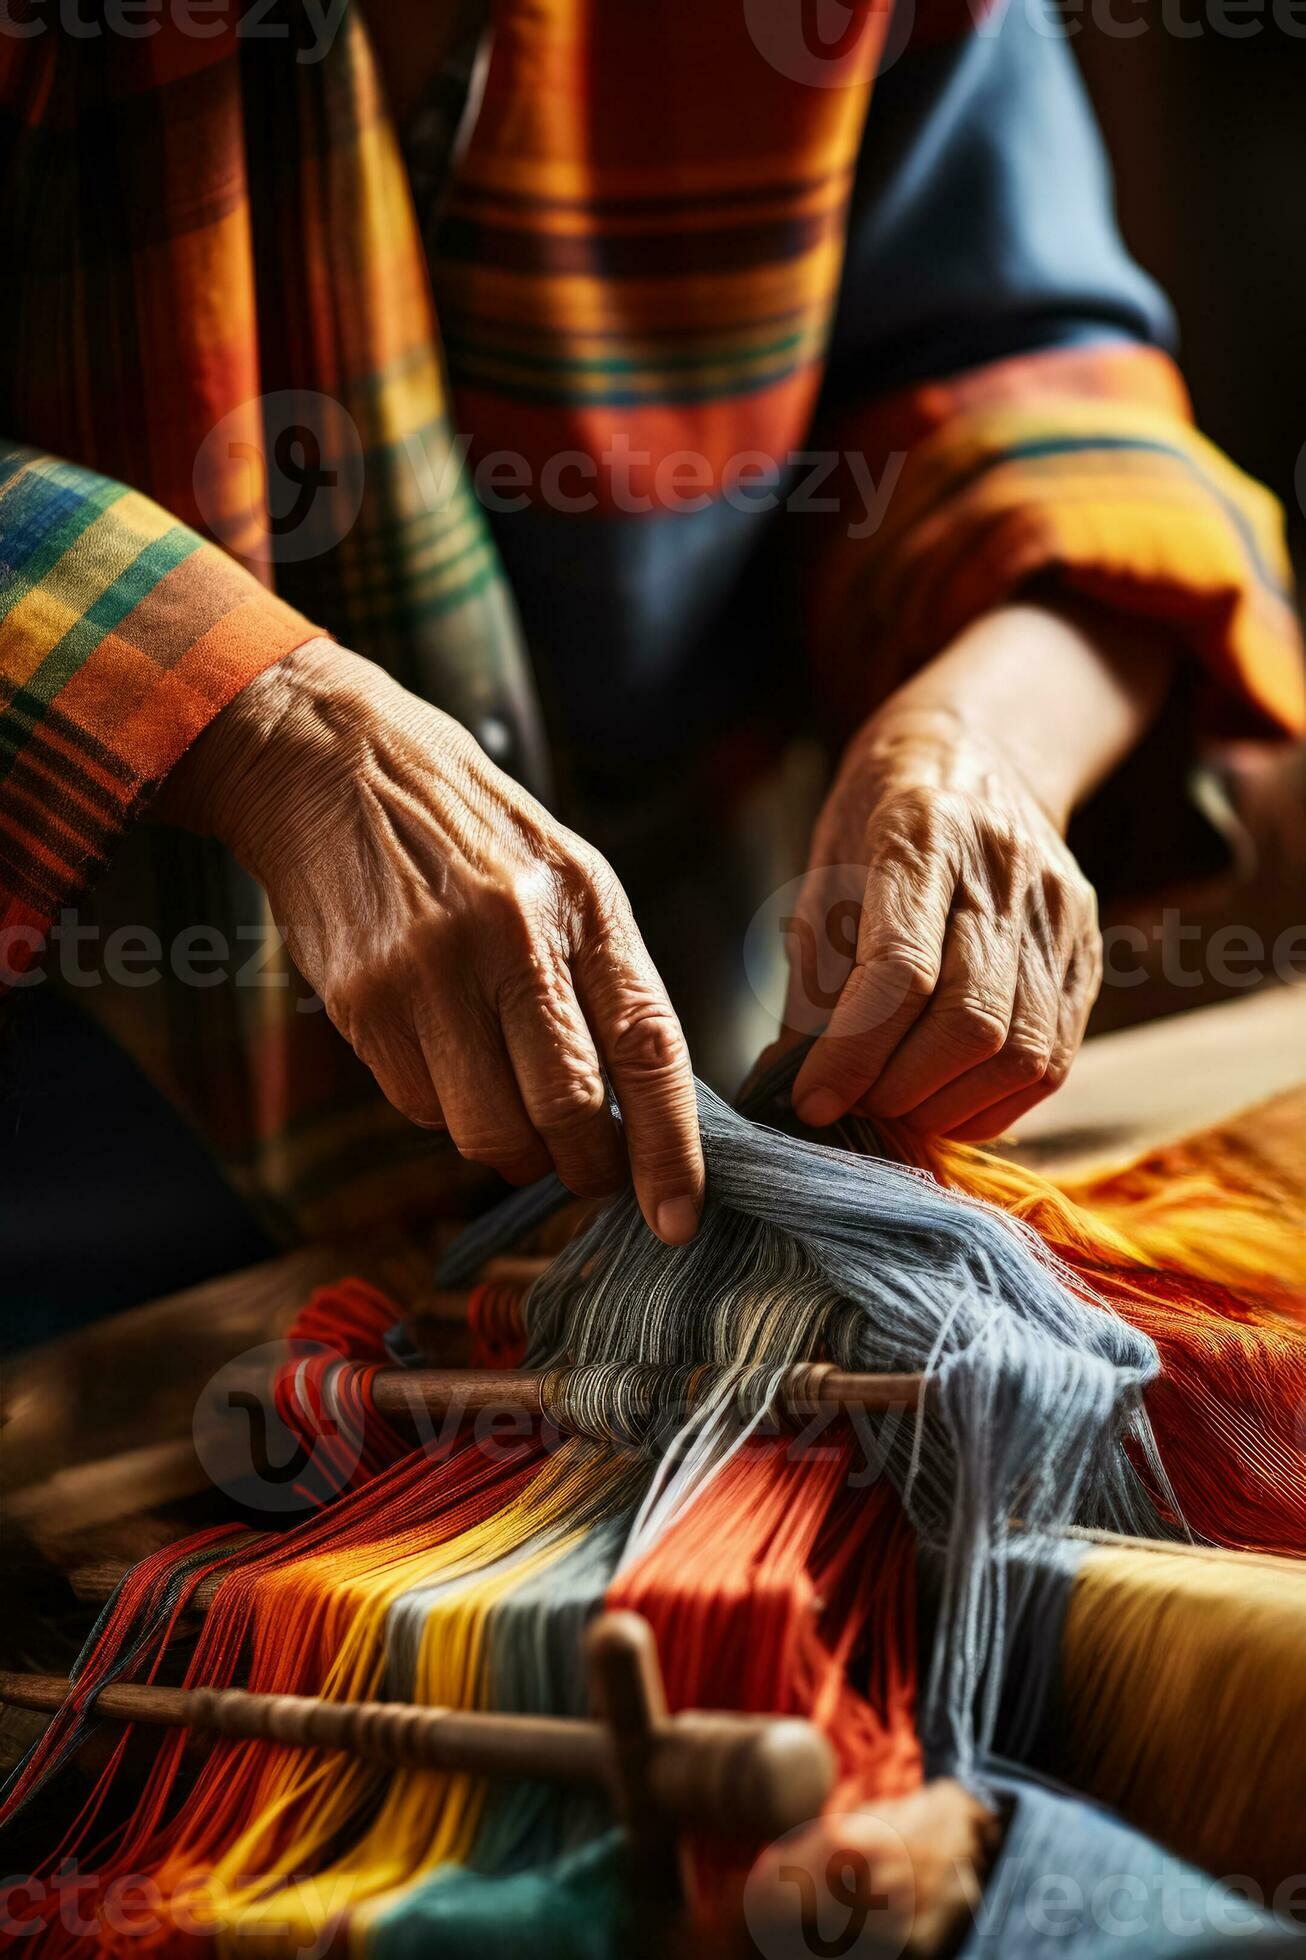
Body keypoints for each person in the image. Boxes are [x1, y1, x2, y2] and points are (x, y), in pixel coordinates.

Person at [1, 0, 1302, 1317]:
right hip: (73, 1214)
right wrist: (262, 726)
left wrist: (994, 734)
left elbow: (1001, 353)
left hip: (676, 1146)